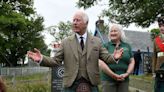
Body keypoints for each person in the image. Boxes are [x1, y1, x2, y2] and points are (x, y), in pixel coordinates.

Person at [27, 10, 123, 92]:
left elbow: (106, 57)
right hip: (70, 84)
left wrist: (114, 57)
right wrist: (41, 59)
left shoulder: (96, 41)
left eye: (78, 20)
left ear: (86, 23)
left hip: (91, 83)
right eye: (73, 20)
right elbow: (56, 61)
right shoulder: (65, 42)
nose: (74, 22)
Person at [99, 24, 135, 92]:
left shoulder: (127, 46)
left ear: (121, 33)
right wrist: (113, 75)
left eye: (115, 31)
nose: (112, 33)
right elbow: (101, 63)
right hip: (108, 80)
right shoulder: (105, 46)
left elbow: (132, 61)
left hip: (124, 80)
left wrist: (127, 74)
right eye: (111, 31)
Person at [152, 15, 164, 92]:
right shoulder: (156, 40)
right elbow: (154, 57)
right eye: (160, 26)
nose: (162, 28)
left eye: (163, 25)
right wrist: (153, 71)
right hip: (159, 70)